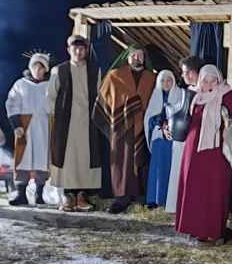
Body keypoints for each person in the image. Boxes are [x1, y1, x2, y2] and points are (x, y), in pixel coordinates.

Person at [174, 65, 232, 242]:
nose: (208, 84)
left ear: (218, 80)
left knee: (214, 190)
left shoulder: (226, 94)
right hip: (193, 151)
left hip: (215, 152)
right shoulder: (195, 96)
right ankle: (195, 228)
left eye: (212, 80)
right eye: (205, 80)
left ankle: (213, 230)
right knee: (194, 189)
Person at [94, 47, 156, 214]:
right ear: (126, 57)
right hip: (121, 128)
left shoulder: (152, 79)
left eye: (140, 55)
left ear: (145, 58)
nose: (136, 58)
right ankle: (122, 197)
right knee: (121, 162)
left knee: (144, 161)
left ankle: (142, 196)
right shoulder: (114, 76)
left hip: (145, 127)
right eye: (133, 55)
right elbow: (104, 99)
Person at [47, 34, 103, 212]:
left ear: (86, 50)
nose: (79, 52)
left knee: (86, 157)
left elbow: (100, 95)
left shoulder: (95, 70)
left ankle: (82, 196)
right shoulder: (59, 70)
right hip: (66, 122)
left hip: (88, 121)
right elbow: (50, 96)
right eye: (75, 48)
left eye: (82, 49)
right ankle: (68, 196)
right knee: (68, 158)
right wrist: (55, 119)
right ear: (69, 50)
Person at [5, 53, 52, 206]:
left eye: (41, 67)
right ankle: (21, 193)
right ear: (30, 67)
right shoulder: (21, 84)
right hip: (24, 125)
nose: (37, 70)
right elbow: (12, 103)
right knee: (22, 158)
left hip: (43, 125)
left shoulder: (50, 85)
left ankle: (39, 193)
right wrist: (16, 124)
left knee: (42, 158)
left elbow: (55, 105)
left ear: (46, 69)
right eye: (35, 66)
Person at [165, 56, 204, 214]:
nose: (183, 76)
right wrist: (167, 125)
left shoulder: (205, 91)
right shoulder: (187, 91)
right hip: (182, 139)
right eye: (183, 73)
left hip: (196, 141)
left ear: (194, 72)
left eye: (185, 72)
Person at [144, 70, 182, 208]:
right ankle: (154, 199)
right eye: (163, 81)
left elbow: (180, 115)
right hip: (159, 137)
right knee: (158, 168)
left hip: (173, 137)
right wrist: (161, 125)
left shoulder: (179, 95)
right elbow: (149, 117)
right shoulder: (155, 96)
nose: (166, 83)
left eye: (169, 80)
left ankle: (169, 200)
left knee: (172, 168)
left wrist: (171, 126)